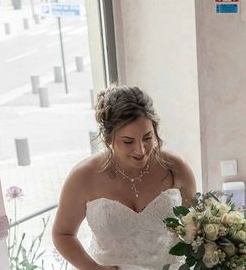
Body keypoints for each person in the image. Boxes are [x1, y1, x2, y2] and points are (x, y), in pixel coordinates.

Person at [52, 84, 197, 270]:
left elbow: (196, 229)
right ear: (108, 139)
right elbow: (62, 234)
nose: (141, 150)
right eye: (128, 141)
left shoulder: (176, 167)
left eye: (147, 137)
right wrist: (93, 268)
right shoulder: (83, 177)